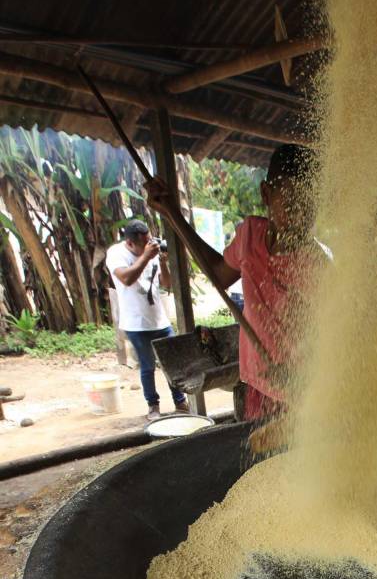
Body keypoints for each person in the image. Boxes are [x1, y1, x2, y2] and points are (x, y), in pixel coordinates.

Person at [145, 144, 325, 424]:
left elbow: (332, 338)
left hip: (303, 397)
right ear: (266, 193)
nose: (300, 213)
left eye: (309, 204)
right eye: (290, 201)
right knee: (259, 462)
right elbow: (218, 275)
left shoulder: (318, 265)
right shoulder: (250, 235)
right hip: (258, 385)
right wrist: (172, 213)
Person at [106, 220, 188, 421]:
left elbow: (167, 284)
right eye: (144, 242)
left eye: (149, 239)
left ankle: (180, 401)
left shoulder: (151, 253)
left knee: (172, 363)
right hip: (136, 323)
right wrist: (145, 256)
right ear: (130, 243)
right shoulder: (116, 254)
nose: (149, 244)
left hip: (160, 320)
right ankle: (153, 406)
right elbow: (126, 279)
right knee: (147, 366)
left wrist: (162, 262)